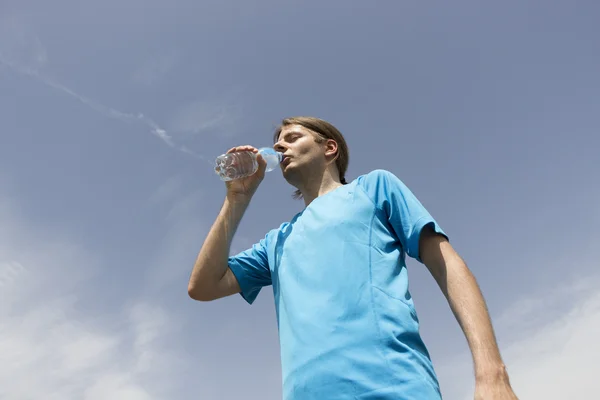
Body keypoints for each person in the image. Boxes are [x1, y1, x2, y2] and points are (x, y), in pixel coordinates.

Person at [188, 117, 518, 400]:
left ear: (329, 148)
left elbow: (447, 264)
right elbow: (203, 286)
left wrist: (492, 372)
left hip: (393, 387)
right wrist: (237, 199)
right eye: (277, 144)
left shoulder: (374, 188)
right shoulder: (276, 241)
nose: (279, 148)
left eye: (292, 138)